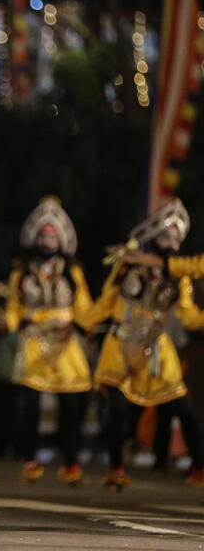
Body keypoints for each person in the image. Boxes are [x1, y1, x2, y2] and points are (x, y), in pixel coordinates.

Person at [82, 199, 203, 490]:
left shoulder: (180, 276)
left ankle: (199, 468)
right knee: (117, 410)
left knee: (182, 409)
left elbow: (186, 314)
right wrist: (82, 322)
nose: (171, 242)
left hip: (156, 349)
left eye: (176, 238)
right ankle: (116, 469)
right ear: (153, 238)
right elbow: (107, 299)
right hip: (120, 343)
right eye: (165, 236)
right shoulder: (126, 266)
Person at [5, 198, 94, 485]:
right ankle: (30, 461)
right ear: (35, 238)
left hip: (65, 341)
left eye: (51, 236)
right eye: (43, 236)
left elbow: (83, 306)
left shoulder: (72, 271)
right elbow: (13, 307)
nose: (47, 241)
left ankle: (71, 463)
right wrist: (6, 324)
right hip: (33, 341)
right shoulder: (21, 272)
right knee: (29, 406)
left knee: (70, 405)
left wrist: (91, 323)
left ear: (61, 240)